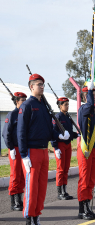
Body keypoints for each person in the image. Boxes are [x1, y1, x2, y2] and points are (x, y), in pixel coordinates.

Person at [17, 74, 69, 225]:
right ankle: (29, 217)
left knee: (41, 187)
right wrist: (23, 155)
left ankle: (36, 214)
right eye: (39, 84)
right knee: (32, 188)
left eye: (43, 84)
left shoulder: (44, 106)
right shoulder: (27, 106)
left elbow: (49, 129)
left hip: (43, 151)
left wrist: (60, 135)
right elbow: (21, 132)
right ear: (31, 86)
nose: (42, 87)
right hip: (31, 151)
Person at [77, 84, 95, 220]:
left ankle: (87, 206)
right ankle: (82, 208)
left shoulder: (90, 109)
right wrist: (89, 90)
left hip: (94, 148)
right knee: (84, 179)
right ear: (86, 96)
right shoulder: (84, 108)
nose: (94, 96)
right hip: (86, 149)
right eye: (92, 94)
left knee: (91, 179)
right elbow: (90, 105)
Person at [2, 92, 27, 211]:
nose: (24, 102)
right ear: (16, 101)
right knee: (15, 175)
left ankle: (19, 198)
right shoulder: (12, 114)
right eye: (22, 100)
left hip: (23, 148)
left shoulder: (25, 114)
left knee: (22, 175)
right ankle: (13, 201)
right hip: (15, 148)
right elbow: (6, 133)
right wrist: (11, 148)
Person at [51, 97, 78, 200]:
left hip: (68, 145)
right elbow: (53, 132)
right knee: (61, 169)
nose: (67, 106)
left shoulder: (68, 117)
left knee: (66, 168)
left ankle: (65, 190)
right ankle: (59, 193)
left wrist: (76, 135)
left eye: (68, 104)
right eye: (65, 104)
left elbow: (69, 132)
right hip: (60, 145)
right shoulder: (57, 117)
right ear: (60, 105)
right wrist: (55, 147)